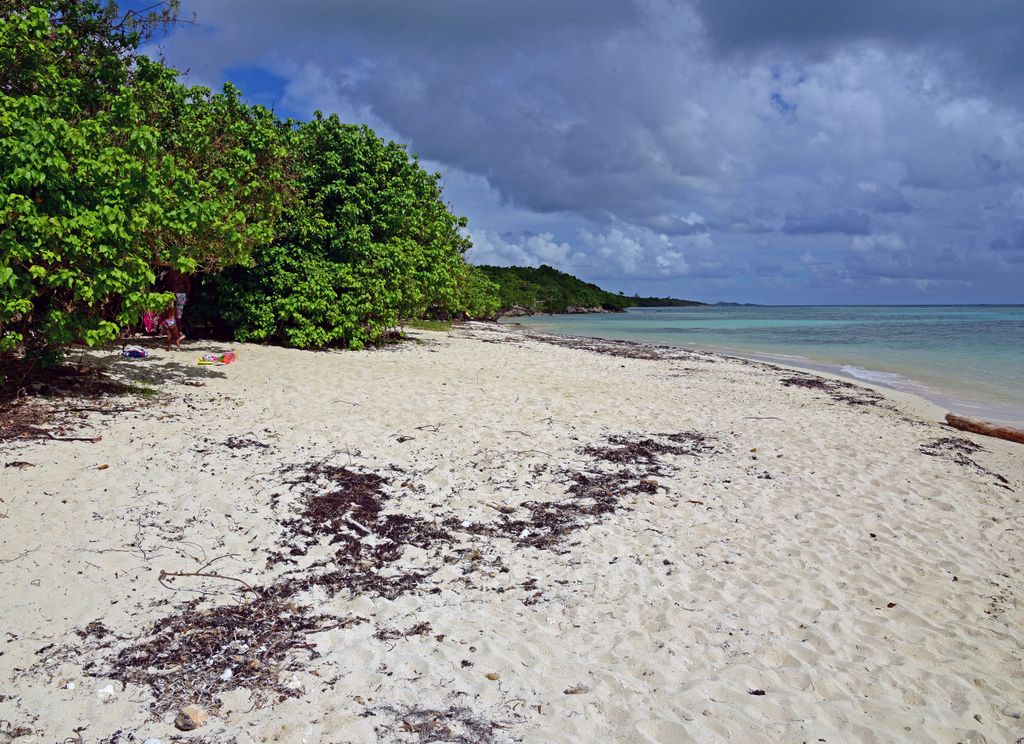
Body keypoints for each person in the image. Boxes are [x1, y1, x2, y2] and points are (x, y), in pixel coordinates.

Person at [165, 269, 191, 336]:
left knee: (175, 315)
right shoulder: (183, 272)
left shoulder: (173, 272)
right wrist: (186, 296)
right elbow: (188, 285)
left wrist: (186, 297)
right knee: (176, 315)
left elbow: (168, 283)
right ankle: (177, 333)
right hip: (179, 294)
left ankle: (178, 333)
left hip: (176, 294)